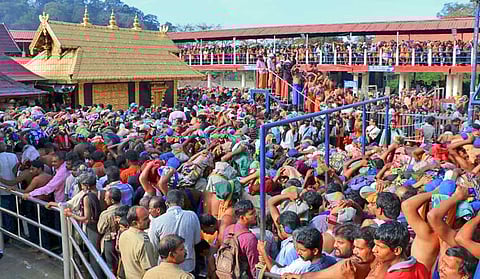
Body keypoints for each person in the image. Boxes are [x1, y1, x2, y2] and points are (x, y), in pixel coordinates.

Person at [148, 189, 201, 274]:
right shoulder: (192, 216)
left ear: (166, 203)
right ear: (182, 202)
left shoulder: (157, 221)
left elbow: (153, 246)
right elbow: (196, 240)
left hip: (166, 267)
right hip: (187, 266)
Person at [258, 227, 336, 275]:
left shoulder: (313, 270)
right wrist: (268, 259)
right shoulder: (329, 259)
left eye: (302, 250)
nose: (298, 253)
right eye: (298, 249)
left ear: (315, 251)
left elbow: (276, 273)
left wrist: (264, 253)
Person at [222, 200, 259, 279]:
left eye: (254, 212)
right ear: (242, 217)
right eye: (251, 214)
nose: (255, 215)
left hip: (226, 273)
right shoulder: (249, 238)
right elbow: (254, 266)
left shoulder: (228, 229)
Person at [119, 206, 157, 279]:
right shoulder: (143, 243)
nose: (149, 220)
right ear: (135, 223)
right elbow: (151, 271)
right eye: (145, 219)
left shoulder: (124, 235)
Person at [98, 187, 122, 274]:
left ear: (112, 200)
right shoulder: (126, 209)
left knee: (111, 268)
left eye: (106, 197)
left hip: (110, 241)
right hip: (122, 240)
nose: (104, 199)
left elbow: (100, 229)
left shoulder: (106, 214)